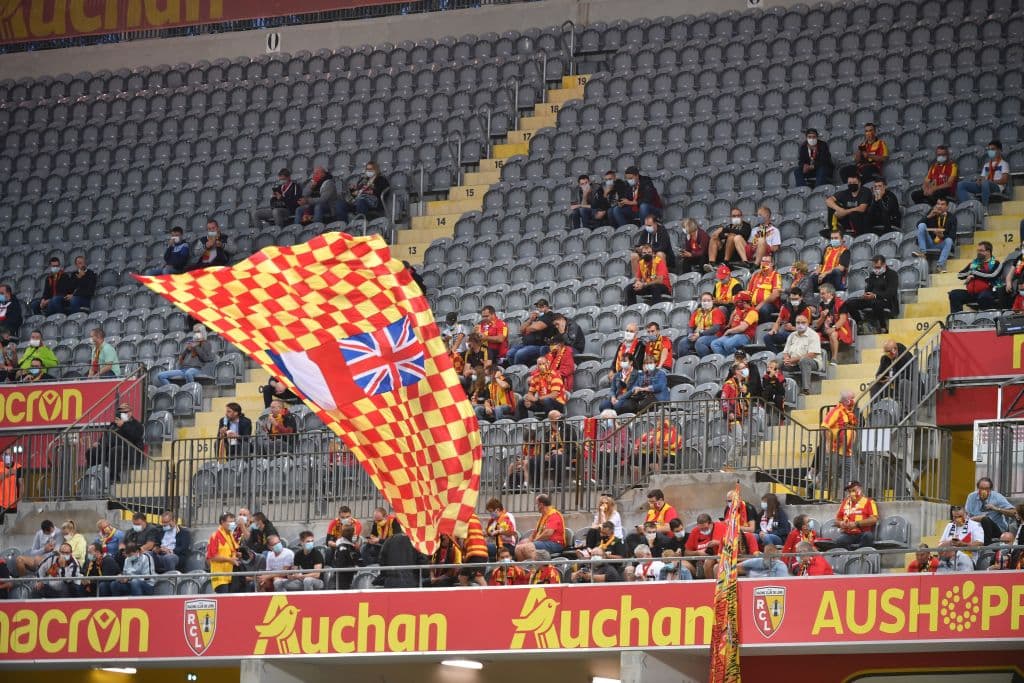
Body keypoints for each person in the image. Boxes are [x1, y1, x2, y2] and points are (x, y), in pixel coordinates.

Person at [85, 403, 145, 483]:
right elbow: (106, 436)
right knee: (92, 451)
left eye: (125, 412)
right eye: (121, 412)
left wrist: (123, 426)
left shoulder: (137, 425)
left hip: (131, 450)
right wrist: (99, 443)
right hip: (110, 448)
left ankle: (114, 478)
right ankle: (92, 476)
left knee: (116, 450)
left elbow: (135, 436)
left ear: (130, 412)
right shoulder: (113, 425)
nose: (123, 414)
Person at [844, 255, 899, 333]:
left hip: (887, 301)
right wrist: (866, 295)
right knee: (849, 303)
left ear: (884, 265)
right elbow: (869, 289)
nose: (876, 269)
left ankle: (883, 326)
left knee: (876, 302)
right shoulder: (872, 275)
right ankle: (861, 323)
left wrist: (875, 295)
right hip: (871, 299)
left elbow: (891, 292)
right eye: (874, 267)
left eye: (878, 267)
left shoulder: (892, 274)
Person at [956, 140, 1010, 210]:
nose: (990, 151)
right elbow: (982, 178)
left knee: (985, 182)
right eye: (989, 149)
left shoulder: (1004, 164)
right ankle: (966, 207)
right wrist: (979, 180)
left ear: (999, 150)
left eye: (993, 149)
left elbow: (1004, 180)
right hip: (984, 185)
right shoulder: (986, 165)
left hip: (997, 187)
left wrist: (989, 181)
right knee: (960, 184)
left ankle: (984, 208)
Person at [948, 241, 1000, 312]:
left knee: (984, 296)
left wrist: (974, 273)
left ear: (988, 251)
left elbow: (992, 275)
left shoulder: (996, 263)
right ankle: (957, 320)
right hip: (971, 293)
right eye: (978, 250)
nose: (978, 252)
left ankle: (985, 319)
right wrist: (970, 274)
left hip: (987, 292)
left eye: (981, 250)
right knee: (954, 294)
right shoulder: (973, 263)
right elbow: (960, 275)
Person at [822, 392, 859, 490]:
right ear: (846, 400)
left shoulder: (849, 413)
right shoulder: (836, 411)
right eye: (852, 399)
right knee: (829, 473)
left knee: (851, 476)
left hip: (848, 451)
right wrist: (828, 443)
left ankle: (845, 496)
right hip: (835, 450)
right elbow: (825, 426)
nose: (853, 401)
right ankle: (813, 488)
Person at [964, 477, 1016, 544]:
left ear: (990, 489)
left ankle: (987, 546)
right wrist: (976, 519)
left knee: (985, 520)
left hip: (996, 529)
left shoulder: (997, 497)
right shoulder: (971, 497)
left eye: (986, 489)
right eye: (981, 488)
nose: (983, 491)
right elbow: (967, 515)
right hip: (977, 528)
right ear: (978, 488)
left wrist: (996, 508)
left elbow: (1014, 512)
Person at [912, 197, 958, 273]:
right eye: (938, 204)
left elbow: (952, 236)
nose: (939, 206)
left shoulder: (952, 217)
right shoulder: (932, 212)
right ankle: (923, 252)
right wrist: (929, 216)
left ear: (947, 207)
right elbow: (918, 225)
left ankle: (940, 265)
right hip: (930, 242)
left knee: (949, 240)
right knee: (922, 225)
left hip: (941, 243)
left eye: (942, 204)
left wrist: (942, 236)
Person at [504, 299, 554, 368]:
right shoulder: (534, 317)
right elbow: (521, 329)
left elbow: (536, 327)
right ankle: (517, 370)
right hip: (526, 344)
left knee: (520, 354)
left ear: (546, 307)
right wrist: (530, 320)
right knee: (510, 353)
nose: (538, 309)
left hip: (540, 345)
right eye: (538, 307)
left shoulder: (549, 316)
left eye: (541, 307)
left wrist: (528, 328)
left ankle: (520, 372)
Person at [780, 314, 822, 393]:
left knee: (804, 360)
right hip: (793, 363)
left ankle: (806, 389)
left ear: (808, 323)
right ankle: (779, 387)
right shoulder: (792, 335)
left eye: (803, 323)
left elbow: (812, 354)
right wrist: (786, 359)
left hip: (812, 363)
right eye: (798, 323)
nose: (800, 325)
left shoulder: (813, 335)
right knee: (778, 362)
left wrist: (794, 360)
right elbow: (785, 352)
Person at [765, 287, 813, 353]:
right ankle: (776, 355)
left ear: (801, 298)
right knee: (767, 337)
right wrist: (774, 329)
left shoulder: (806, 310)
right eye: (792, 299)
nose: (794, 301)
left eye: (796, 299)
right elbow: (778, 321)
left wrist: (793, 328)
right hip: (785, 333)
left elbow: (808, 329)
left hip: (798, 334)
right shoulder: (785, 307)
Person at [709, 291, 758, 356]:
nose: (737, 303)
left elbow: (742, 328)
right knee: (714, 344)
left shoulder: (752, 312)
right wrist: (729, 324)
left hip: (744, 335)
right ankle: (727, 360)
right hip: (733, 334)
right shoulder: (738, 308)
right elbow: (733, 314)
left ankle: (740, 358)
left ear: (745, 302)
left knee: (728, 344)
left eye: (739, 302)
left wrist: (730, 330)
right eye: (737, 302)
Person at [678, 291, 726, 358]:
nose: (706, 302)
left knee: (700, 342)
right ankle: (685, 363)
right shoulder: (697, 311)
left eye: (708, 300)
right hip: (698, 335)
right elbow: (690, 326)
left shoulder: (716, 311)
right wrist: (690, 334)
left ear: (712, 301)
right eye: (704, 300)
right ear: (701, 301)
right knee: (682, 343)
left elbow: (716, 328)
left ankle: (706, 362)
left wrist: (700, 334)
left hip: (715, 335)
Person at [814, 283, 852, 364]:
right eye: (820, 293)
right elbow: (817, 325)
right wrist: (822, 317)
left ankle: (834, 358)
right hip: (824, 330)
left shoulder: (840, 303)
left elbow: (843, 319)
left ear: (830, 294)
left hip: (839, 328)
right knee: (813, 336)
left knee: (833, 334)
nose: (821, 296)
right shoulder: (821, 305)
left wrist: (833, 328)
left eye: (823, 293)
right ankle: (817, 360)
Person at [833, 481, 878, 549]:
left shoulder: (869, 502)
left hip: (863, 533)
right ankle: (850, 557)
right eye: (849, 491)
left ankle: (861, 557)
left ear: (860, 489)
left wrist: (856, 524)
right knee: (839, 541)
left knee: (868, 536)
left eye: (853, 490)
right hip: (848, 534)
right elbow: (836, 521)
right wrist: (841, 523)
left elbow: (874, 519)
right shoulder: (845, 502)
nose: (851, 493)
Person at [825, 172, 870, 236]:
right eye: (850, 183)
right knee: (832, 207)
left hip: (862, 219)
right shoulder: (846, 193)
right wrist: (839, 209)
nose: (852, 185)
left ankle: (858, 235)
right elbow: (828, 201)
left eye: (854, 183)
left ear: (859, 183)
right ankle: (833, 231)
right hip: (848, 219)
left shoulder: (865, 191)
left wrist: (845, 212)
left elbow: (862, 208)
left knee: (854, 213)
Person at [682, 513, 724, 579]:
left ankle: (711, 585)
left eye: (706, 528)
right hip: (699, 564)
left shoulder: (721, 527)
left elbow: (731, 544)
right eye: (701, 529)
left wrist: (718, 543)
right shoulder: (695, 531)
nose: (704, 530)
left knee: (709, 562)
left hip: (719, 558)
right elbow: (686, 552)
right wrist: (697, 553)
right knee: (682, 563)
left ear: (711, 524)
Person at [207, 513, 240, 594]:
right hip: (219, 576)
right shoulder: (215, 536)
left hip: (229, 574)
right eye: (230, 522)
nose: (233, 524)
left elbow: (230, 551)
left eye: (233, 522)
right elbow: (213, 557)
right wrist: (229, 559)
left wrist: (237, 554)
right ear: (222, 522)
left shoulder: (230, 535)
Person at [746, 254, 782, 322]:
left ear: (771, 264)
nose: (764, 263)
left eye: (767, 262)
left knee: (764, 309)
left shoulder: (775, 275)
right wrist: (746, 304)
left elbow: (776, 294)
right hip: (753, 304)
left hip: (769, 305)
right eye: (762, 261)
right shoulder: (755, 275)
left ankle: (764, 329)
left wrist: (761, 304)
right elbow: (748, 291)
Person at [0, 447, 23, 523]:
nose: (8, 456)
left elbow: (21, 484)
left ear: (12, 455)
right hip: (1, 502)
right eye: (6, 454)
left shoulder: (18, 467)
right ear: (2, 456)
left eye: (10, 454)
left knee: (11, 525)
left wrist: (20, 498)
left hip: (13, 503)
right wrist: (9, 472)